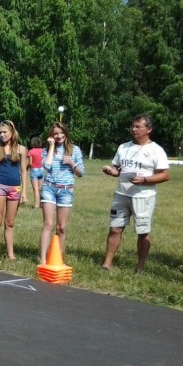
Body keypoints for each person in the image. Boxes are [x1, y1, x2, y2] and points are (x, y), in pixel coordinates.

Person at [101, 115, 170, 273]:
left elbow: (165, 175)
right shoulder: (123, 147)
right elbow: (117, 170)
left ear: (149, 129)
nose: (133, 129)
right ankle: (107, 263)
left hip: (144, 197)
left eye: (138, 126)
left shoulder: (156, 150)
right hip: (121, 194)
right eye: (132, 126)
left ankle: (140, 267)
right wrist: (111, 171)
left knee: (143, 232)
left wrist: (145, 179)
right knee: (115, 228)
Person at [39, 121, 85, 265]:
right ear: (51, 136)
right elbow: (46, 166)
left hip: (66, 190)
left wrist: (72, 163)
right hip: (49, 188)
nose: (59, 136)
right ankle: (43, 259)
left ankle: (58, 258)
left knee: (61, 227)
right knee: (48, 223)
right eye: (55, 134)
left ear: (66, 133)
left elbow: (80, 173)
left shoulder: (75, 150)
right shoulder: (47, 149)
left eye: (61, 133)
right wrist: (52, 147)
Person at [0, 120, 29, 266]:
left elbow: (24, 171)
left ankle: (10, 254)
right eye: (0, 132)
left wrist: (24, 191)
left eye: (5, 132)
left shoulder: (21, 149)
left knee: (10, 223)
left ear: (12, 133)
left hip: (15, 188)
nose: (2, 135)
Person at [27, 137, 44, 209]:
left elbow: (30, 163)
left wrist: (26, 167)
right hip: (42, 170)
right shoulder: (43, 151)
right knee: (40, 189)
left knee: (35, 189)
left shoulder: (31, 151)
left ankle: (36, 205)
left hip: (34, 171)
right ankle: (41, 204)